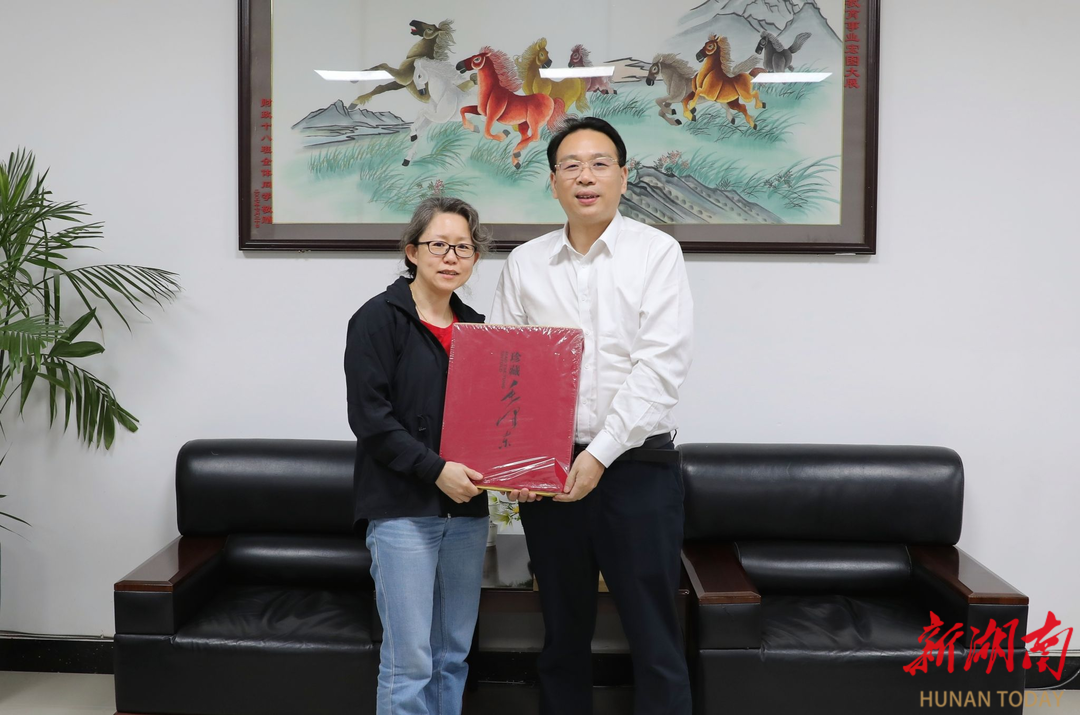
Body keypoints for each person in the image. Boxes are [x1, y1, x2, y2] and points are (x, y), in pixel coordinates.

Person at [491, 117, 694, 715]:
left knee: (654, 634)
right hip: (550, 470)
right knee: (561, 631)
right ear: (552, 181)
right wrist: (518, 464)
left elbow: (660, 367)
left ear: (623, 177)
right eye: (571, 166)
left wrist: (600, 455)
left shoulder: (656, 252)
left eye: (600, 164)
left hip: (636, 467)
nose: (586, 177)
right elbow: (507, 369)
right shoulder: (525, 263)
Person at [345, 196, 493, 715]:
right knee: (409, 662)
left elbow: (493, 419)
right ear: (412, 252)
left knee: (452, 655)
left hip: (466, 512)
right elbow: (371, 420)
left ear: (475, 257)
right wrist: (436, 471)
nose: (451, 257)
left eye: (463, 247)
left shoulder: (479, 329)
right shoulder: (377, 319)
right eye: (438, 245)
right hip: (401, 511)